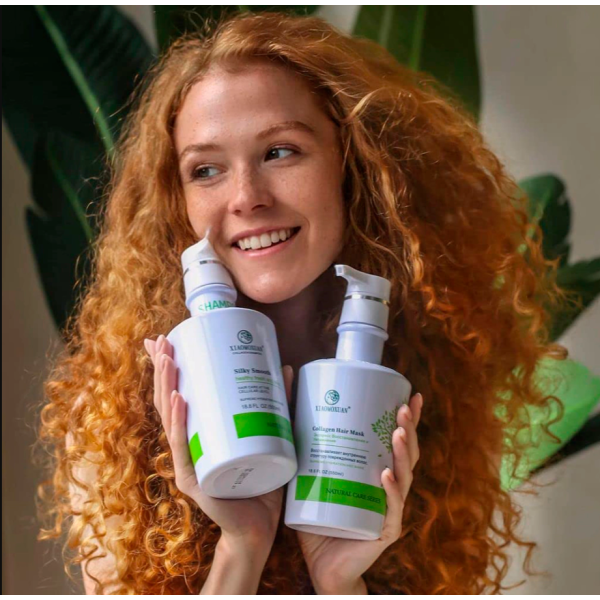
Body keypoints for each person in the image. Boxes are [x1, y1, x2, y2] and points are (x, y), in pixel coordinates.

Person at [37, 11, 568, 595]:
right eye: (206, 169)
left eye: (280, 152)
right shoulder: (115, 410)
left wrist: (339, 582)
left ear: (352, 163)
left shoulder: (425, 383)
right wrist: (242, 548)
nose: (246, 197)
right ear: (176, 199)